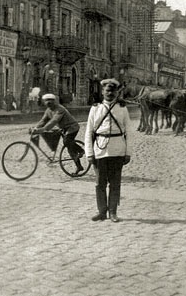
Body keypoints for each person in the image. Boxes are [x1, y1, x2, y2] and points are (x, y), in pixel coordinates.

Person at [85, 78, 131, 222]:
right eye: (107, 91)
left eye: (113, 91)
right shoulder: (95, 108)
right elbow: (88, 132)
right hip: (100, 149)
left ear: (117, 92)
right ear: (103, 92)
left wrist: (128, 152)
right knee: (100, 183)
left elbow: (128, 131)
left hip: (117, 150)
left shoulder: (122, 108)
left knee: (115, 183)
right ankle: (102, 211)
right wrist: (89, 153)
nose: (110, 93)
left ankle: (113, 212)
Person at [31, 94, 84, 172]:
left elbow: (54, 121)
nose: (48, 103)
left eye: (50, 101)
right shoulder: (48, 111)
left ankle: (81, 150)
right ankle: (79, 166)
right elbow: (43, 121)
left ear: (54, 101)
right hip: (63, 129)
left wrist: (42, 129)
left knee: (67, 141)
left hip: (72, 127)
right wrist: (36, 128)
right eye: (46, 101)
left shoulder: (60, 109)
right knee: (70, 148)